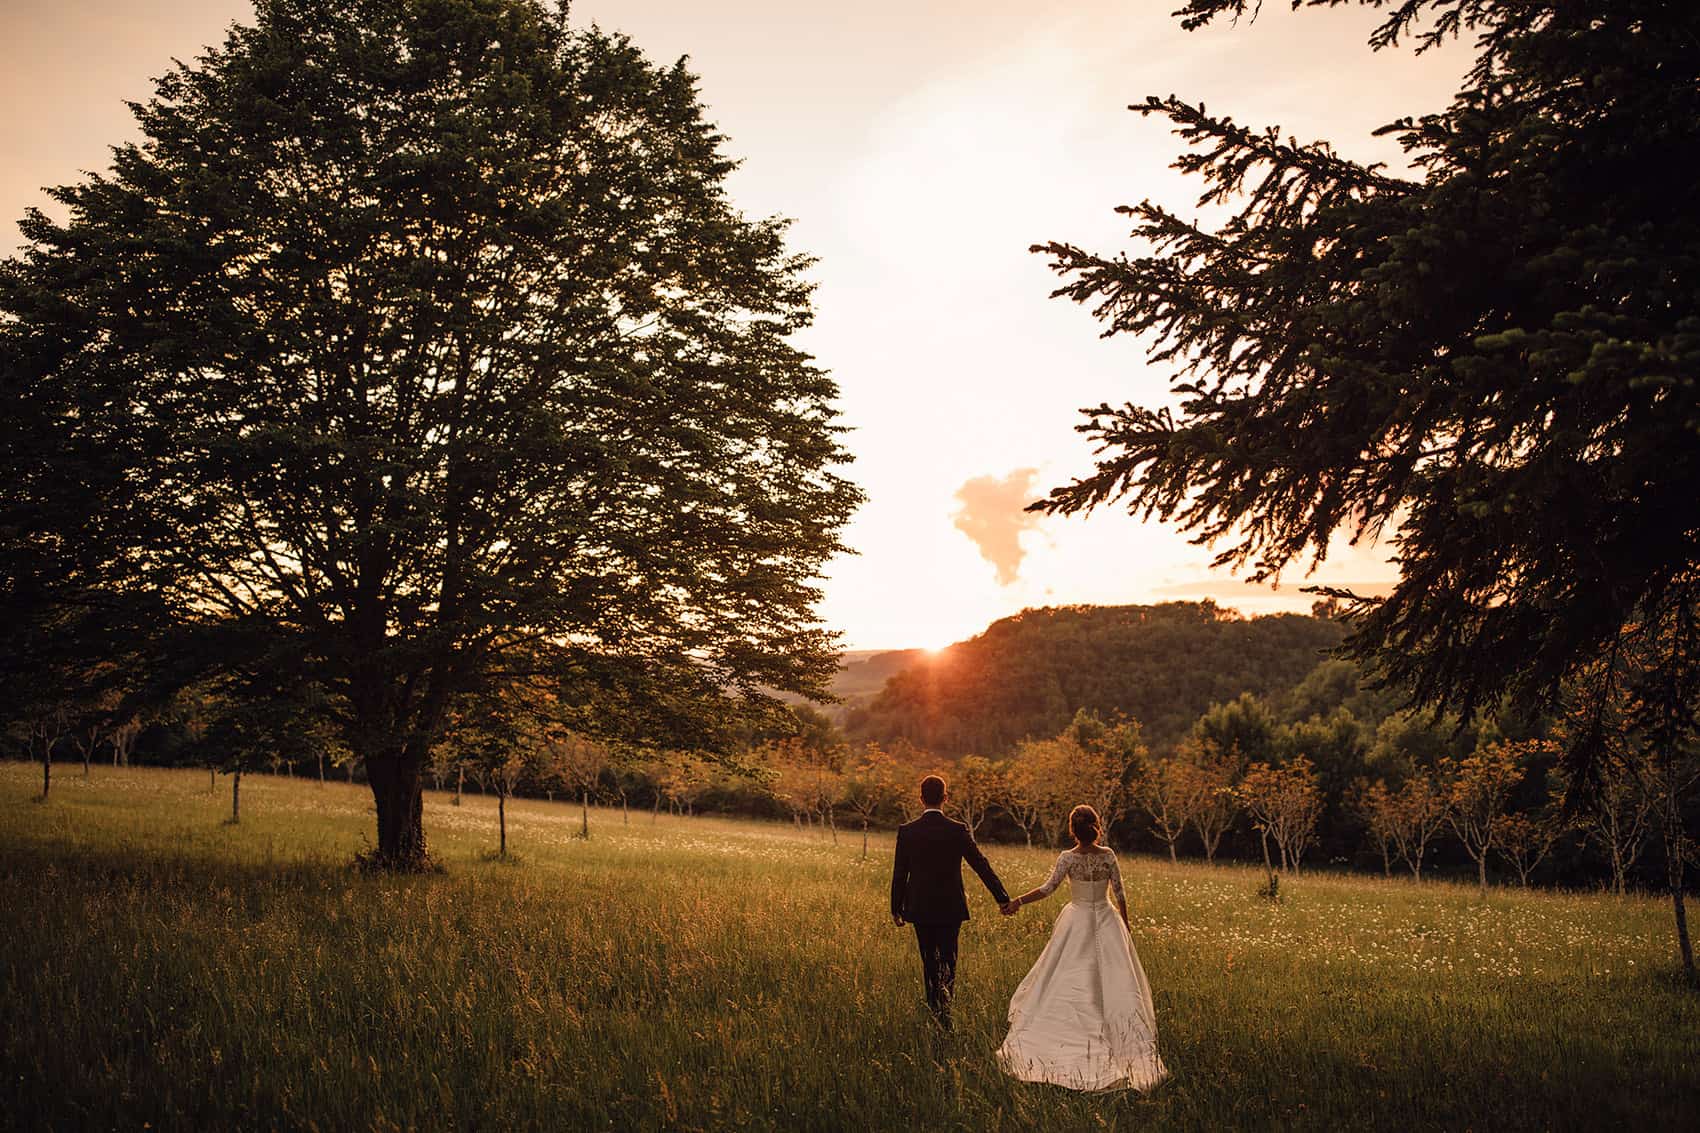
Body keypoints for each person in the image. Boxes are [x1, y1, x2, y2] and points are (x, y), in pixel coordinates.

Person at [996, 804, 1168, 1091]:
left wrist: (1018, 902)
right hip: (1105, 918)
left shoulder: (1068, 858)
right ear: (1096, 826)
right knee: (1112, 979)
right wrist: (1125, 925)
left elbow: (1047, 888)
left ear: (1072, 830)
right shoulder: (1108, 855)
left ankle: (1070, 1027)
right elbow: (1120, 892)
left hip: (1076, 919)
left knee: (1068, 975)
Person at [889, 773, 1013, 1029]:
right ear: (945, 798)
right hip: (950, 907)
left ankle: (934, 1009)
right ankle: (946, 1012)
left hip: (919, 906)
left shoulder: (908, 831)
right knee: (949, 959)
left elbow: (900, 872)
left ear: (921, 798)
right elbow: (980, 864)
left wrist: (896, 908)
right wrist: (1002, 897)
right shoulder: (957, 830)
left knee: (928, 959)